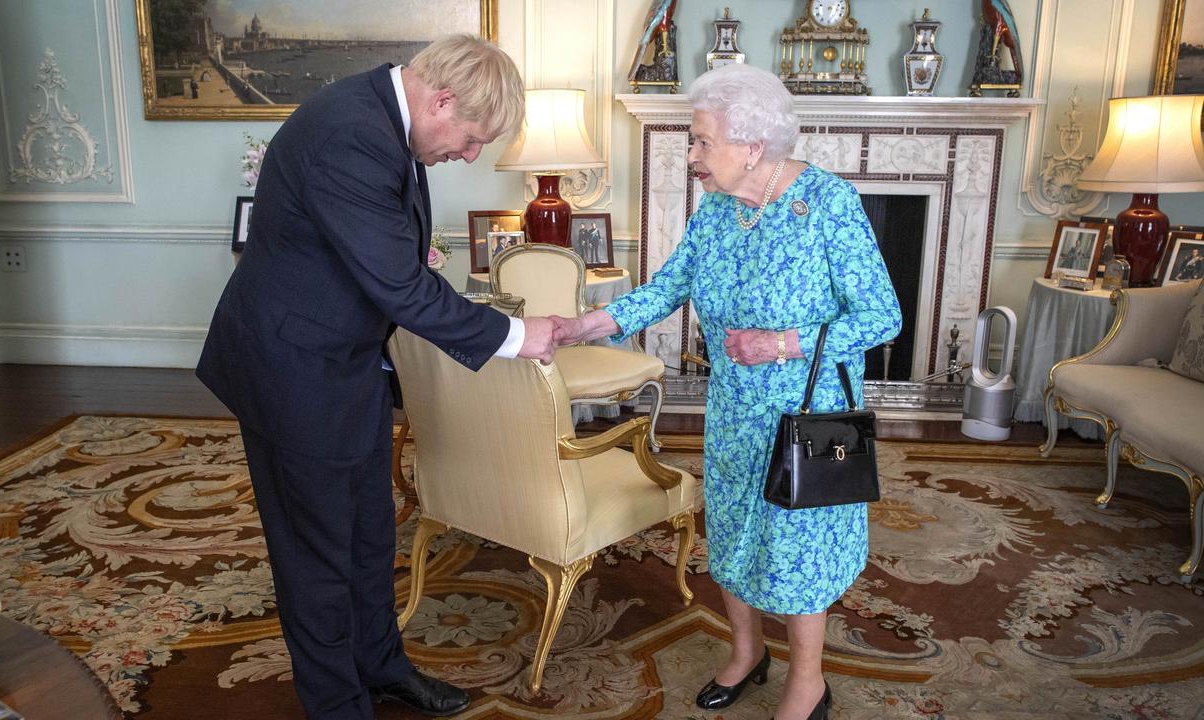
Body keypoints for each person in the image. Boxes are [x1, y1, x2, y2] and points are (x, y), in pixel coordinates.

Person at [197, 34, 555, 719]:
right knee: (316, 553)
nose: (470, 155)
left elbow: (386, 257)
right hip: (291, 368)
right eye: (473, 138)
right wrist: (516, 334)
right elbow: (399, 285)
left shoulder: (385, 118)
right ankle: (339, 706)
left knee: (366, 532)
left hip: (345, 359)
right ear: (442, 99)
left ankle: (382, 668)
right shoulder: (351, 134)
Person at [552, 63, 901, 720]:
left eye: (701, 142)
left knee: (799, 551)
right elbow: (668, 286)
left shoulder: (827, 204)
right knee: (736, 532)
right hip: (736, 410)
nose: (691, 157)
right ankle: (746, 652)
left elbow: (882, 316)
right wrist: (586, 324)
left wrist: (780, 343)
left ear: (752, 145)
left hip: (808, 414)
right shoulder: (717, 208)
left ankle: (808, 681)